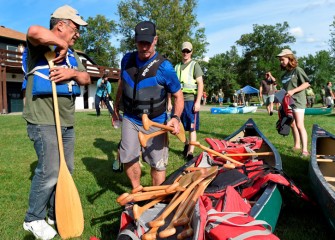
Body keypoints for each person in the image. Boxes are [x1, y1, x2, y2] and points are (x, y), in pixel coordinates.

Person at [22, 5, 91, 239]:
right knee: (50, 169)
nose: (77, 34)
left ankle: (55, 212)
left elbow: (86, 77)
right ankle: (33, 219)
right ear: (60, 25)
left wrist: (71, 74)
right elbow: (33, 30)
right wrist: (59, 44)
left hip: (66, 121)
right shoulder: (39, 47)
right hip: (43, 120)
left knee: (66, 170)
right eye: (75, 28)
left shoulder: (73, 55)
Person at [114, 21, 183, 189]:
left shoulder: (165, 67)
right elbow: (122, 84)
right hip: (131, 117)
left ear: (155, 40)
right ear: (135, 41)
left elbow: (178, 96)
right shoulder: (127, 60)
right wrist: (116, 108)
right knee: (128, 156)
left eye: (147, 42)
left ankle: (156, 198)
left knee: (157, 163)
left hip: (156, 121)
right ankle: (137, 190)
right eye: (140, 42)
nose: (144, 47)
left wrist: (175, 117)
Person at [173, 41, 204, 160]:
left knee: (192, 127)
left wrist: (197, 102)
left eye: (188, 51)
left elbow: (200, 83)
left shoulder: (195, 65)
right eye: (184, 51)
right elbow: (172, 85)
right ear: (181, 51)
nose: (186, 53)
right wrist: (170, 102)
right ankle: (186, 143)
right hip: (178, 100)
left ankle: (190, 152)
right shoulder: (176, 67)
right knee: (176, 127)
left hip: (191, 100)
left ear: (191, 52)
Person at [277, 49, 310, 157]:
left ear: (289, 58)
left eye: (283, 59)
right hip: (288, 102)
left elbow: (306, 84)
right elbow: (286, 90)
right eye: (280, 60)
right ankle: (297, 145)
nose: (281, 61)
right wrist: (280, 96)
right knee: (292, 124)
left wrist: (293, 91)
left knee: (300, 125)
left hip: (298, 101)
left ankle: (305, 150)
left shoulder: (297, 70)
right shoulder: (284, 75)